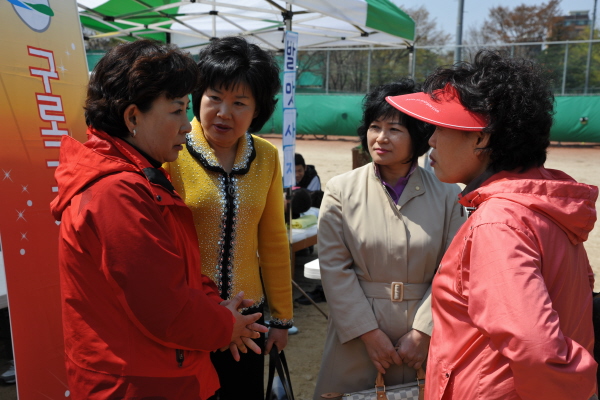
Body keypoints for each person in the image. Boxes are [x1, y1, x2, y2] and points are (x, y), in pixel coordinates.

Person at [50, 40, 266, 400]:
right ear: (133, 117)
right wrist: (225, 324)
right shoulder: (116, 194)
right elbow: (164, 306)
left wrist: (216, 307)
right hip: (139, 383)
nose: (187, 125)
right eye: (177, 111)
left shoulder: (140, 177)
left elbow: (178, 270)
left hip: (162, 372)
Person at [386, 50, 598, 400]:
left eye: (441, 127)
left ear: (482, 138)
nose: (431, 140)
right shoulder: (541, 203)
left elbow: (536, 349)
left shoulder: (498, 222)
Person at [314, 79, 466, 398]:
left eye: (395, 129)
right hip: (355, 339)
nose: (381, 138)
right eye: (374, 126)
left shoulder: (448, 194)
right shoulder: (341, 190)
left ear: (419, 137)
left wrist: (424, 331)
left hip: (427, 339)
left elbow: (454, 272)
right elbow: (334, 269)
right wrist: (368, 334)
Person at [165, 36, 293, 400]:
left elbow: (272, 241)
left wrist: (281, 319)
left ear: (257, 110)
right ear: (197, 96)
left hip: (248, 321)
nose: (224, 113)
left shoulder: (266, 157)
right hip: (189, 316)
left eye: (239, 103)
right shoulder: (171, 150)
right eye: (215, 98)